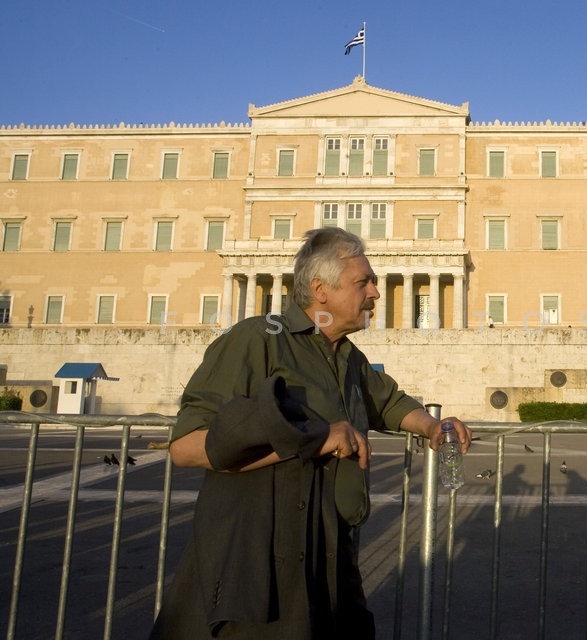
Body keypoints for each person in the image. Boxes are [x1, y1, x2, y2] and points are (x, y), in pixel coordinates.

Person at [150, 227, 472, 639]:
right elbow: (187, 446)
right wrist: (314, 439)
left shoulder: (348, 356)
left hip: (332, 550)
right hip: (266, 551)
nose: (375, 292)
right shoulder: (257, 339)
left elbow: (387, 402)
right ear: (320, 290)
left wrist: (433, 425)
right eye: (364, 282)